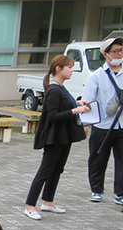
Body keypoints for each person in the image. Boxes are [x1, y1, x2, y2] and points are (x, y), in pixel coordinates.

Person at [23, 55, 90, 220]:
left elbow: (64, 105)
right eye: (69, 67)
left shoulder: (61, 87)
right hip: (54, 137)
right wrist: (76, 111)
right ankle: (30, 206)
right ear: (58, 69)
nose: (72, 70)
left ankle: (48, 201)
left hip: (64, 136)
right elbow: (52, 116)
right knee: (45, 170)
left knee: (57, 169)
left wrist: (77, 104)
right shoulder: (53, 89)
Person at [84, 36, 123, 204]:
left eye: (121, 50)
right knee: (98, 158)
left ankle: (120, 193)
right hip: (102, 126)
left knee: (122, 160)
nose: (119, 54)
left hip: (122, 125)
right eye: (115, 51)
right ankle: (96, 190)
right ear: (106, 54)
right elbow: (88, 102)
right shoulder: (96, 76)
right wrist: (86, 124)